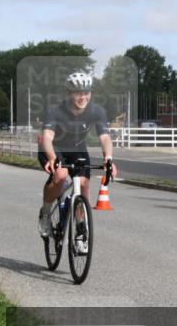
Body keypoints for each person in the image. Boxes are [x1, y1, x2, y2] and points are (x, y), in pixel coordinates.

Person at [37, 71, 118, 247]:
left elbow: (104, 137)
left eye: (86, 92)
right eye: (78, 92)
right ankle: (45, 213)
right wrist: (52, 158)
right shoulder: (55, 111)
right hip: (53, 148)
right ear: (68, 93)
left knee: (83, 184)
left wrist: (109, 159)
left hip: (77, 149)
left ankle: (81, 230)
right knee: (60, 176)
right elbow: (47, 137)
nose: (83, 97)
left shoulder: (97, 111)